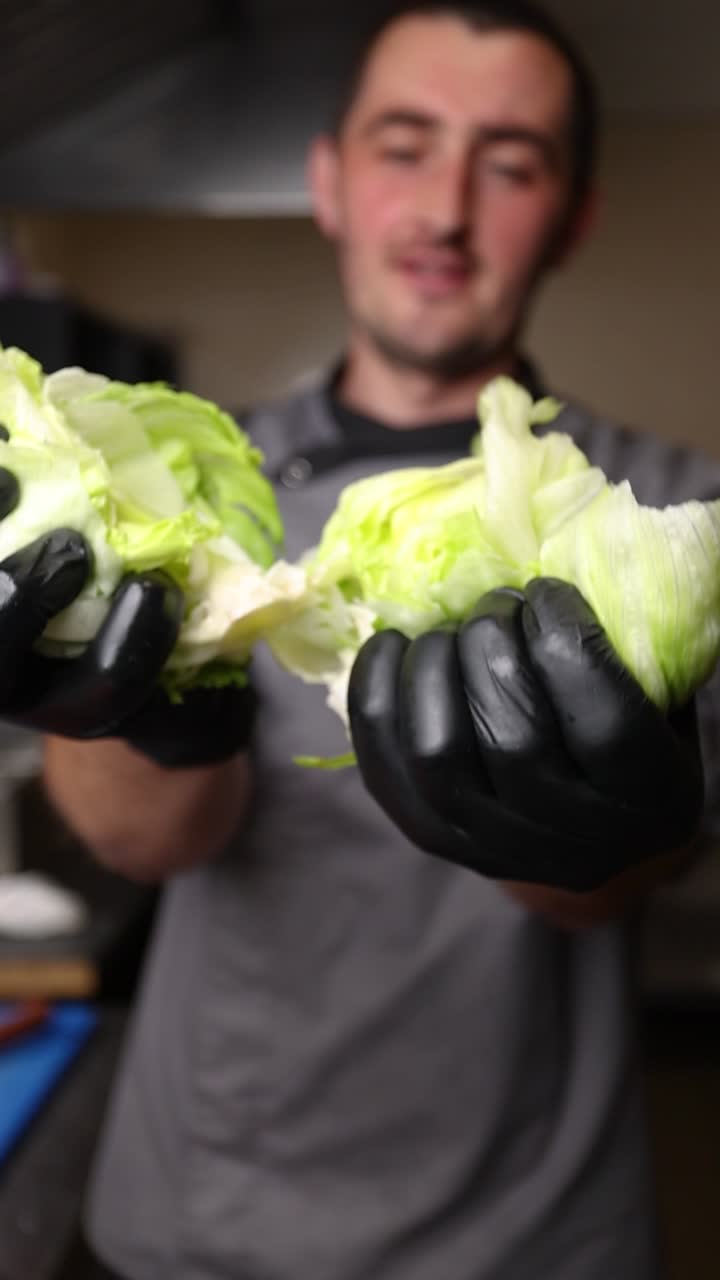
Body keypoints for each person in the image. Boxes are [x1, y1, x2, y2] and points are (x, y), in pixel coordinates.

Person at [1, 3, 719, 1277]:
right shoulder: (182, 478)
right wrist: (150, 713)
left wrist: (601, 831)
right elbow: (146, 841)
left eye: (509, 163)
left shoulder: (667, 523)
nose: (445, 207)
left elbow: (594, 900)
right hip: (202, 1218)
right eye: (404, 145)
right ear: (328, 181)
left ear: (573, 213)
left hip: (534, 1237)